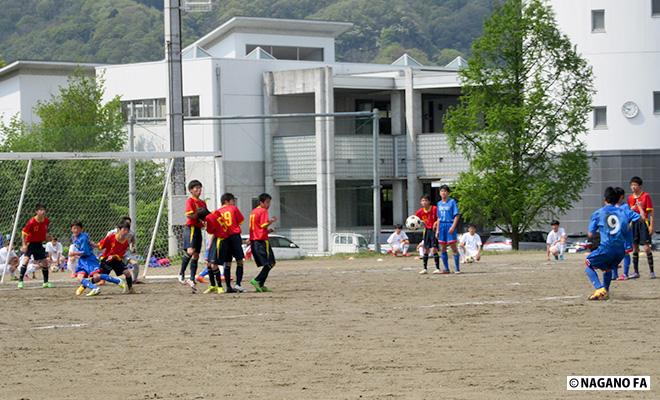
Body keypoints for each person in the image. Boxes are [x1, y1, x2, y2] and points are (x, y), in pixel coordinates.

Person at [584, 187, 640, 300]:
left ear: (605, 199)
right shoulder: (623, 211)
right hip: (620, 250)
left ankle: (600, 289)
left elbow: (590, 234)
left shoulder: (598, 213)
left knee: (588, 263)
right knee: (607, 268)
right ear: (617, 200)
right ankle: (606, 292)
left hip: (607, 248)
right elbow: (638, 218)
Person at [179, 180, 208, 289]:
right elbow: (190, 216)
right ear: (191, 190)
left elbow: (205, 217)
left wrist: (207, 220)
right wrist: (198, 214)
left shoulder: (202, 202)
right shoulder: (190, 201)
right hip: (190, 228)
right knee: (190, 251)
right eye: (196, 188)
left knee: (196, 254)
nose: (199, 190)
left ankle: (192, 278)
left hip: (198, 230)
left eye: (200, 188)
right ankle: (181, 274)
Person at [215, 193, 246, 293]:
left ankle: (228, 286)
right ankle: (238, 284)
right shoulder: (233, 208)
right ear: (227, 201)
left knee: (227, 263)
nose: (234, 203)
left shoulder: (217, 212)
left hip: (224, 239)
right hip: (234, 237)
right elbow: (240, 221)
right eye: (233, 200)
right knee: (239, 261)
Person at [17, 204, 52, 289]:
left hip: (39, 244)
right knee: (25, 260)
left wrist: (47, 237)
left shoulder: (46, 221)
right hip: (30, 243)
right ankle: (20, 281)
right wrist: (24, 244)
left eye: (43, 210)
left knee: (44, 263)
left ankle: (46, 282)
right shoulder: (32, 222)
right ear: (36, 212)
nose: (42, 211)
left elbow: (45, 231)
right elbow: (24, 233)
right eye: (40, 210)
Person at [627, 176, 655, 279]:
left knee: (646, 247)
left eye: (635, 185)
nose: (633, 187)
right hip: (634, 224)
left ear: (640, 186)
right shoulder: (630, 198)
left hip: (643, 223)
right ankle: (636, 272)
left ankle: (652, 271)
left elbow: (651, 212)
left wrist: (651, 225)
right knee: (635, 247)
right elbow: (628, 213)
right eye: (632, 185)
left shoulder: (645, 196)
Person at [249, 193, 277, 292]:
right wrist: (271, 221)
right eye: (267, 202)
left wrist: (268, 231)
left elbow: (257, 227)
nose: (268, 205)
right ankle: (257, 280)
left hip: (255, 240)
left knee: (269, 263)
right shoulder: (263, 210)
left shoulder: (254, 211)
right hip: (261, 241)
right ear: (261, 202)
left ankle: (260, 284)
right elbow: (262, 225)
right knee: (270, 263)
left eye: (269, 202)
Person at [98, 221, 135, 294]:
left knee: (127, 273)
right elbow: (101, 246)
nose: (125, 232)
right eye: (124, 230)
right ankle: (87, 283)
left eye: (127, 230)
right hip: (107, 260)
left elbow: (121, 255)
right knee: (100, 277)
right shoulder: (111, 237)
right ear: (119, 229)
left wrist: (114, 256)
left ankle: (130, 289)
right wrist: (93, 245)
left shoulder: (125, 243)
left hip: (116, 259)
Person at [196, 207, 225, 294]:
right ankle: (213, 286)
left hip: (220, 239)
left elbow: (210, 231)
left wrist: (205, 225)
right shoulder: (215, 213)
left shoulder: (209, 218)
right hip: (217, 238)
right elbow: (216, 230)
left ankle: (220, 287)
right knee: (209, 263)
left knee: (214, 264)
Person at [107, 217, 141, 283]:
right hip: (112, 254)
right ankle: (101, 280)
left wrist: (133, 248)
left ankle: (134, 280)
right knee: (106, 266)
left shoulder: (131, 233)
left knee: (135, 264)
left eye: (129, 224)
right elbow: (105, 243)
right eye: (126, 224)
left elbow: (133, 242)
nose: (127, 226)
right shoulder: (112, 233)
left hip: (124, 253)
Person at [436, 185, 461, 274]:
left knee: (453, 247)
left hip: (450, 225)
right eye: (442, 191)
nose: (443, 193)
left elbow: (457, 215)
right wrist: (437, 230)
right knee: (442, 248)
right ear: (439, 193)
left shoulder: (452, 202)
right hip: (442, 226)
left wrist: (453, 226)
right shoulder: (439, 204)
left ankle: (457, 268)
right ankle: (446, 268)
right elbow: (438, 218)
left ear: (448, 193)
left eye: (445, 191)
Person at [415, 195, 440, 274]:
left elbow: (439, 217)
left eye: (425, 200)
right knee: (426, 249)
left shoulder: (434, 209)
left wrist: (436, 223)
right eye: (422, 201)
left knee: (434, 249)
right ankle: (425, 268)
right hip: (426, 231)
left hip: (434, 230)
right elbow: (415, 219)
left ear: (429, 202)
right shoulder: (420, 211)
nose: (424, 202)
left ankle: (437, 268)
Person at [614, 187, 634, 280]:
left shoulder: (625, 206)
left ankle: (625, 274)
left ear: (621, 196)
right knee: (614, 253)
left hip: (625, 234)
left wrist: (629, 224)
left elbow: (630, 218)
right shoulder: (612, 206)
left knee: (626, 253)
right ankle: (614, 274)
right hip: (615, 234)